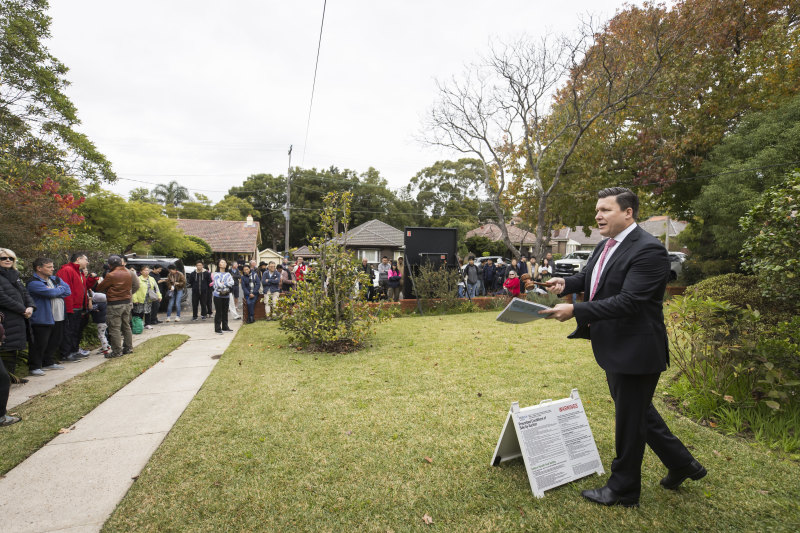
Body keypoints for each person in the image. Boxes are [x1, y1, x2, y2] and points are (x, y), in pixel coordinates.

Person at [540, 187, 705, 508]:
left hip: (637, 350)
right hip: (614, 346)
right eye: (597, 210)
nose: (598, 216)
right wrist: (566, 285)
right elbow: (591, 278)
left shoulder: (649, 250)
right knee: (638, 411)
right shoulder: (605, 245)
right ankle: (682, 463)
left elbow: (631, 301)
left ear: (628, 212)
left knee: (630, 419)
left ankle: (624, 488)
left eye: (605, 210)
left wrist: (576, 310)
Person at [26, 257, 71, 375]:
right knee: (40, 343)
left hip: (58, 315)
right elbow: (50, 293)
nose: (52, 269)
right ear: (39, 268)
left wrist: (56, 290)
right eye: (49, 267)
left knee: (55, 340)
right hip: (42, 317)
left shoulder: (55, 279)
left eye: (52, 266)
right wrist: (57, 290)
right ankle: (34, 366)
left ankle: (48, 362)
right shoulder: (34, 283)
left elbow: (68, 291)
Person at [0, 249, 35, 383]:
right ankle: (5, 380)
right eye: (3, 258)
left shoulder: (15, 276)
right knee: (6, 349)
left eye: (10, 258)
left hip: (18, 318)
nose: (7, 260)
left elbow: (25, 293)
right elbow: (2, 297)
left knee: (13, 349)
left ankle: (11, 378)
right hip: (6, 318)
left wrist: (30, 307)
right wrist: (22, 309)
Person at [96, 255, 134, 358]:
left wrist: (98, 283)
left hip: (114, 303)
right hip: (126, 302)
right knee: (126, 326)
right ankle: (128, 348)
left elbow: (100, 288)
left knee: (115, 328)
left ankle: (117, 351)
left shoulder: (111, 275)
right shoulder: (128, 273)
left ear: (110, 265)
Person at [56, 252, 92, 362]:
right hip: (71, 307)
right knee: (68, 331)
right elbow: (66, 291)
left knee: (76, 330)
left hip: (79, 307)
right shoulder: (67, 270)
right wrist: (69, 307)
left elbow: (83, 289)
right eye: (85, 259)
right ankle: (66, 354)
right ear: (78, 259)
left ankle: (74, 350)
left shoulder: (79, 272)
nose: (87, 262)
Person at [132, 266, 159, 330]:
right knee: (139, 311)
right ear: (141, 272)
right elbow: (134, 290)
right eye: (145, 270)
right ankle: (139, 324)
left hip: (148, 298)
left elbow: (156, 288)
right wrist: (135, 299)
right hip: (140, 298)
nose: (146, 272)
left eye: (147, 270)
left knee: (148, 311)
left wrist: (159, 296)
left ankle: (147, 324)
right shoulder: (137, 279)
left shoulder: (151, 278)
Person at [212, 258, 234, 334]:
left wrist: (223, 283)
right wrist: (226, 283)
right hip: (218, 295)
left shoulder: (228, 274)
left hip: (226, 295)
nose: (224, 263)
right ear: (219, 264)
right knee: (218, 312)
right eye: (222, 262)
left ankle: (225, 327)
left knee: (225, 312)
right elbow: (217, 285)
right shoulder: (216, 274)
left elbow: (232, 282)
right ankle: (217, 328)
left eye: (225, 262)